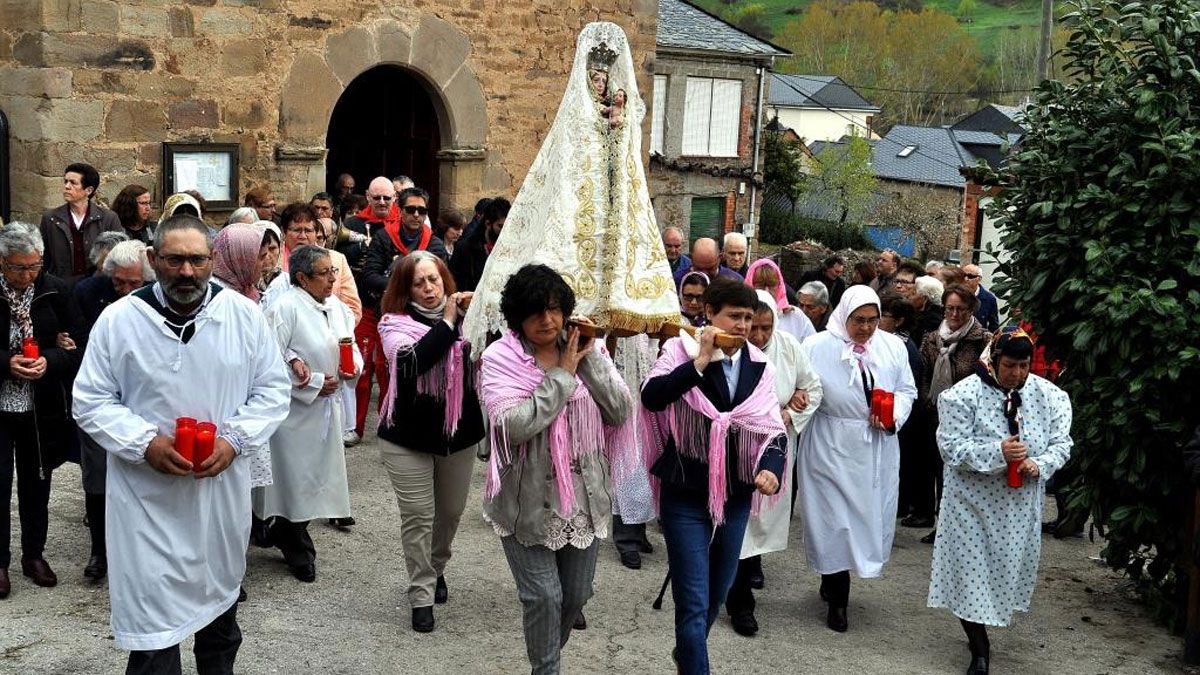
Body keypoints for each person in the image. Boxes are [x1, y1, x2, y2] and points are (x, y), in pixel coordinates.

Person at [72, 214, 291, 671]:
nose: (186, 271)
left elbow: (272, 391)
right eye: (174, 260)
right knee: (153, 637)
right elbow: (90, 399)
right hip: (146, 503)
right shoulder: (119, 321)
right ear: (153, 259)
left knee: (219, 622)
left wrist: (233, 440)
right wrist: (144, 442)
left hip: (217, 497)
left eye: (196, 259)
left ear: (213, 260)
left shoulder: (243, 317)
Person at [460, 23, 679, 347]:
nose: (601, 81)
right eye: (596, 77)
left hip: (616, 209)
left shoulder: (621, 116)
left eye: (605, 76)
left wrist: (618, 122)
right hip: (577, 205)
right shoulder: (575, 117)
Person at [479, 264, 632, 675]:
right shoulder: (500, 358)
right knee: (543, 597)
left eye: (553, 309)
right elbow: (512, 426)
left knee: (577, 595)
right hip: (525, 501)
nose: (546, 320)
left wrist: (585, 358)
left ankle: (548, 656)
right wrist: (562, 375)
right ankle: (546, 669)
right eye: (534, 312)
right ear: (517, 317)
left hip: (584, 497)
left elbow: (619, 411)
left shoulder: (586, 349)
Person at [641, 277, 786, 672]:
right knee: (692, 601)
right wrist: (699, 362)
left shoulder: (760, 366)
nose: (742, 326)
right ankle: (694, 661)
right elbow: (652, 398)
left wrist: (770, 469)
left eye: (748, 318)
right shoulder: (679, 349)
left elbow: (772, 429)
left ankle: (688, 651)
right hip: (685, 490)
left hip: (736, 494)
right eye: (733, 317)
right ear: (708, 314)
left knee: (717, 593)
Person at [928, 326, 1073, 675]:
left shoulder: (1050, 396)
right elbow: (950, 447)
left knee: (1001, 573)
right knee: (970, 573)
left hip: (1017, 507)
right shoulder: (963, 395)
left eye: (1024, 365)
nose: (1017, 373)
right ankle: (980, 649)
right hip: (970, 503)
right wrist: (998, 451)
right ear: (993, 361)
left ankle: (981, 628)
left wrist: (1040, 463)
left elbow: (1062, 443)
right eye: (1010, 365)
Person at [376, 252, 485, 632]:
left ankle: (436, 568)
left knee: (451, 513)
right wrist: (450, 323)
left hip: (458, 435)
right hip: (407, 436)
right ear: (405, 290)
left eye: (433, 279)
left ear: (445, 281)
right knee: (419, 516)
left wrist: (484, 311)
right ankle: (421, 593)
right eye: (418, 282)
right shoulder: (394, 325)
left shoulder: (472, 319)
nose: (427, 288)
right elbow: (410, 366)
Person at [797, 285, 917, 633]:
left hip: (874, 447)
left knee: (863, 519)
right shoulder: (817, 346)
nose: (865, 328)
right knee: (834, 521)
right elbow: (801, 385)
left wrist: (894, 413)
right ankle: (837, 597)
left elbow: (907, 390)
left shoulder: (894, 347)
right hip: (829, 443)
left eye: (872, 320)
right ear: (843, 316)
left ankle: (835, 576)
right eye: (858, 320)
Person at [255, 245, 361, 583]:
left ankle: (280, 531)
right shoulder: (285, 308)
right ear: (302, 278)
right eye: (324, 273)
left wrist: (351, 368)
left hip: (328, 410)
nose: (333, 278)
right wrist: (313, 382)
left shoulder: (338, 308)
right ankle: (295, 543)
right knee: (295, 481)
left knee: (317, 478)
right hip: (294, 416)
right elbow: (268, 361)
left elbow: (352, 347)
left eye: (333, 271)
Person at [724, 293, 821, 637]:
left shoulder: (790, 346)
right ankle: (740, 602)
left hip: (776, 446)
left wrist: (791, 412)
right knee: (738, 521)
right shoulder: (730, 349)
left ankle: (747, 571)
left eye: (767, 328)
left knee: (759, 522)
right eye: (755, 327)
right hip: (736, 446)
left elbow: (812, 387)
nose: (760, 336)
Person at [0, 223, 84, 599]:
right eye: (18, 268)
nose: (27, 276)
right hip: (0, 402)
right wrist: (6, 363)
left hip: (41, 405)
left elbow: (78, 346)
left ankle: (34, 555)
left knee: (38, 480)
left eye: (34, 266)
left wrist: (50, 360)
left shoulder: (55, 289)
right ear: (2, 263)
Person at [73, 240, 153, 582]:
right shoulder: (89, 292)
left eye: (134, 283)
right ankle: (99, 552)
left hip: (144, 400)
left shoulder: (155, 299)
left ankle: (138, 552)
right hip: (102, 396)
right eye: (119, 282)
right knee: (98, 477)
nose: (125, 290)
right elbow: (79, 342)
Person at [907, 285, 988, 534]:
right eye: (950, 308)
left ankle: (947, 522)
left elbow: (984, 378)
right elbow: (923, 371)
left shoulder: (982, 339)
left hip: (964, 415)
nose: (954, 314)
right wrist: (923, 401)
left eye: (960, 309)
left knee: (950, 470)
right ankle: (924, 512)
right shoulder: (932, 337)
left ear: (971, 309)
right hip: (932, 409)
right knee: (926, 463)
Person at [878, 293, 925, 524]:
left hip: (901, 419)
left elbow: (909, 388)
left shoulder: (903, 347)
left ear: (899, 321)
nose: (877, 321)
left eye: (883, 316)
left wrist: (896, 416)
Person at [38, 162, 123, 284]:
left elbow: (119, 256)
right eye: (65, 181)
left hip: (97, 286)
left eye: (73, 183)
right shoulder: (50, 218)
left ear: (88, 190)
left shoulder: (108, 218)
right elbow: (43, 259)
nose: (67, 186)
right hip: (61, 287)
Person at [744, 258, 815, 343]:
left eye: (772, 286)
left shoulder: (795, 317)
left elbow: (812, 347)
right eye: (760, 286)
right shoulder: (740, 316)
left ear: (780, 286)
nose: (767, 291)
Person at [450, 197, 509, 292]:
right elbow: (453, 282)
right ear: (488, 223)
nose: (504, 231)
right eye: (500, 226)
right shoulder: (464, 248)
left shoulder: (509, 249)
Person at [672, 238, 742, 287]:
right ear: (691, 259)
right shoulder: (676, 281)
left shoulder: (735, 282)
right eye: (699, 269)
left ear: (720, 258)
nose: (704, 274)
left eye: (710, 268)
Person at [911, 274, 946, 349]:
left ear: (924, 298)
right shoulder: (916, 315)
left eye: (913, 293)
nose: (909, 296)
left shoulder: (932, 321)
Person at [962, 264, 1000, 332]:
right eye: (963, 275)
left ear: (979, 279)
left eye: (970, 276)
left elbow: (994, 326)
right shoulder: (955, 295)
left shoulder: (989, 299)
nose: (966, 279)